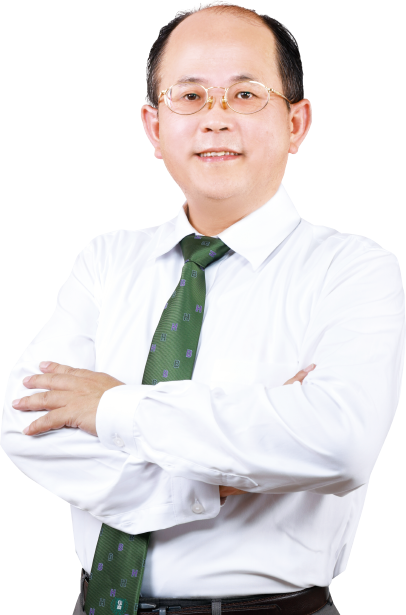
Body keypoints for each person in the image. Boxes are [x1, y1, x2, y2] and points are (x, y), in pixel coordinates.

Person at [1, 3, 404, 615]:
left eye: (245, 95)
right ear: (154, 127)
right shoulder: (108, 260)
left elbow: (337, 445)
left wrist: (111, 407)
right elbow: (26, 428)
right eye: (189, 97)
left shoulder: (352, 268)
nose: (215, 119)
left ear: (297, 123)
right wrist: (225, 473)